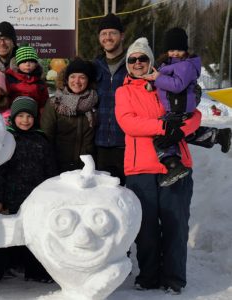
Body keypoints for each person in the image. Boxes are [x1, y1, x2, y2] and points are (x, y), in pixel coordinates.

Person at [115, 37, 201, 295]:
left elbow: (194, 115)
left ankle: (174, 278)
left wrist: (177, 131)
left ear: (151, 61)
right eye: (133, 59)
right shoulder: (124, 91)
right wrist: (163, 127)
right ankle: (149, 275)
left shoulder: (170, 84)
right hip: (140, 168)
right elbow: (129, 122)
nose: (138, 63)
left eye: (143, 58)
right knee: (146, 227)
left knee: (176, 224)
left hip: (176, 165)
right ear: (128, 64)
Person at [143, 27, 231, 185]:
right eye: (171, 50)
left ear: (185, 49)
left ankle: (173, 165)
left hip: (181, 107)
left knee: (164, 136)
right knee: (185, 133)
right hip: (175, 106)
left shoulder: (186, 66)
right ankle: (217, 135)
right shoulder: (166, 64)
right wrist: (153, 82)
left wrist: (157, 79)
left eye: (178, 49)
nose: (175, 53)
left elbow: (177, 85)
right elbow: (163, 80)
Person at [0, 96, 57, 283]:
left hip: (35, 198)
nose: (25, 120)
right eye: (21, 116)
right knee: (5, 235)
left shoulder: (41, 141)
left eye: (29, 116)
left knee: (33, 235)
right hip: (9, 198)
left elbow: (50, 172)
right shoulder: (7, 140)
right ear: (13, 118)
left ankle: (35, 271)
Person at [41, 57, 98, 173]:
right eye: (72, 76)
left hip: (87, 169)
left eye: (82, 77)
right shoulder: (55, 103)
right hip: (58, 167)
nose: (76, 81)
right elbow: (46, 138)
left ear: (88, 80)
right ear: (66, 79)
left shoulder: (95, 102)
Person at [93, 13, 128, 185]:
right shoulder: (94, 67)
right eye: (103, 33)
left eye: (112, 33)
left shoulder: (135, 63)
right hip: (100, 144)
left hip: (128, 142)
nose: (107, 37)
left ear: (122, 35)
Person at [5, 45, 49, 110]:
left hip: (34, 114)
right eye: (24, 62)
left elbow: (44, 102)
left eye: (31, 61)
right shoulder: (9, 78)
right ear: (18, 64)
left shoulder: (40, 82)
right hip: (12, 113)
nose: (27, 64)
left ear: (36, 64)